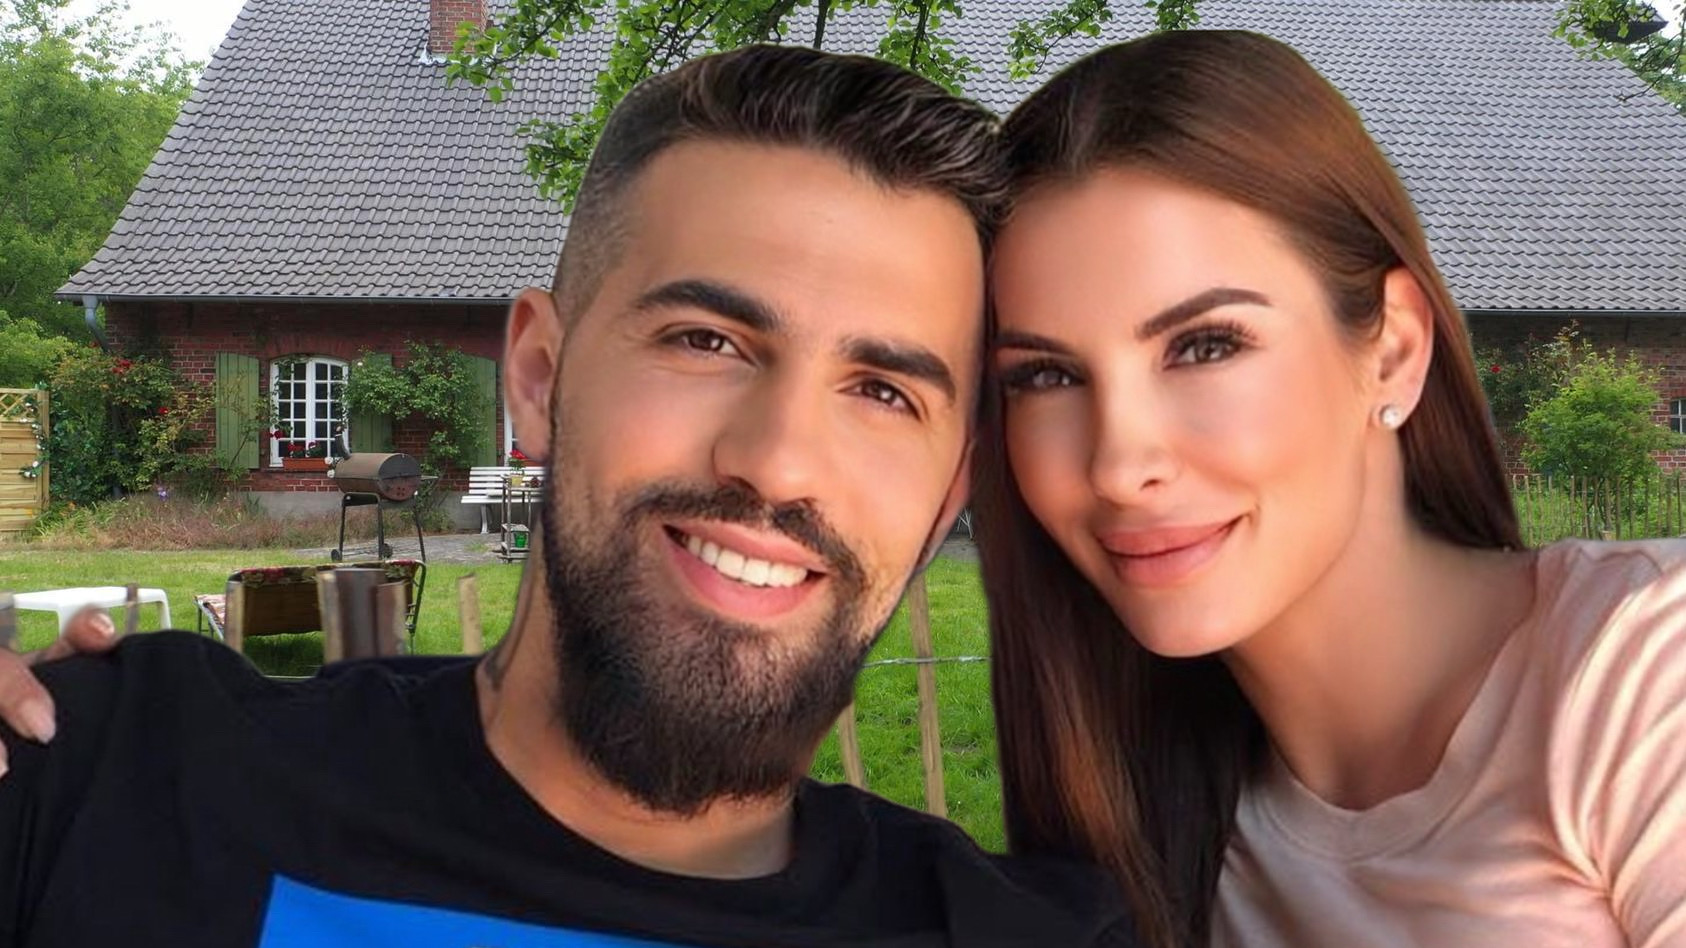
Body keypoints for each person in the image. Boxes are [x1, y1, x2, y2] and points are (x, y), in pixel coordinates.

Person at [0, 45, 1133, 947]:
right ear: (540, 379)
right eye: (707, 340)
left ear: (948, 496)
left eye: (884, 392)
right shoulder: (116, 776)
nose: (779, 462)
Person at [975, 29, 1686, 948]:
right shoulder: (1145, 835)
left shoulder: (1646, 676)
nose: (1119, 464)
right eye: (1044, 376)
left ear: (1392, 351)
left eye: (1205, 346)